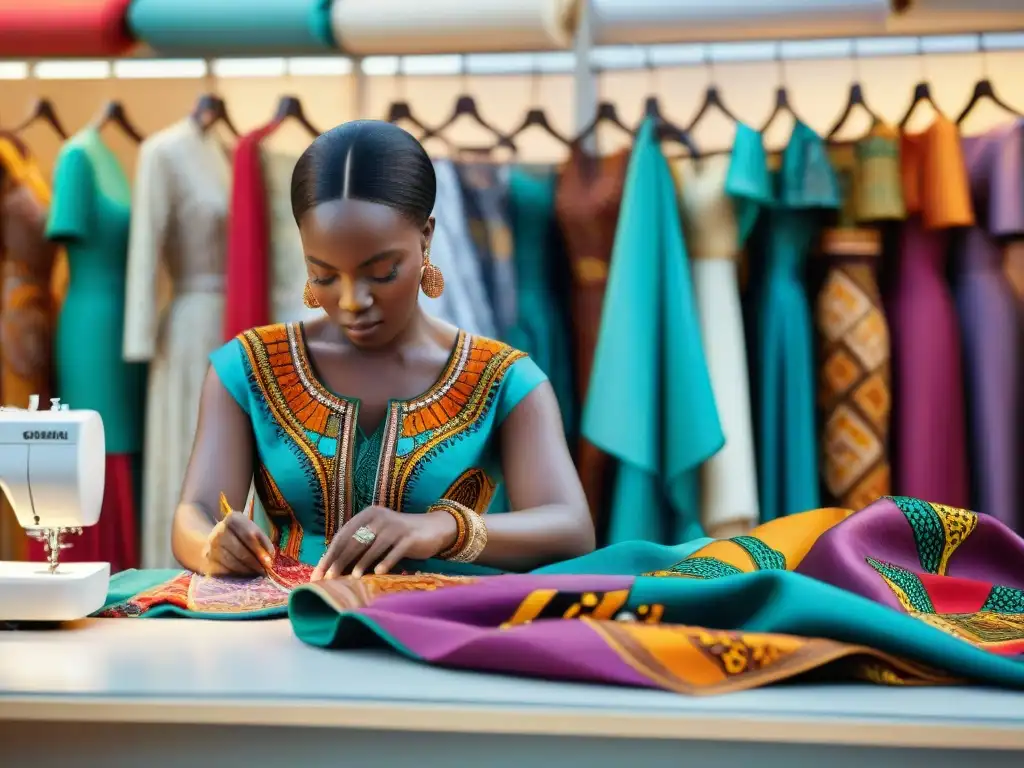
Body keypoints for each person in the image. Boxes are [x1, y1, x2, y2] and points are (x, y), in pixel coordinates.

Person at [170, 120, 594, 582]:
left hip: (438, 638)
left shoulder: (504, 380)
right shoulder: (248, 368)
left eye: (382, 271)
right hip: (284, 633)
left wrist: (442, 529)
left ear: (426, 237)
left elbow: (570, 528)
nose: (353, 301)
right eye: (325, 275)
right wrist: (211, 545)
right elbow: (195, 512)